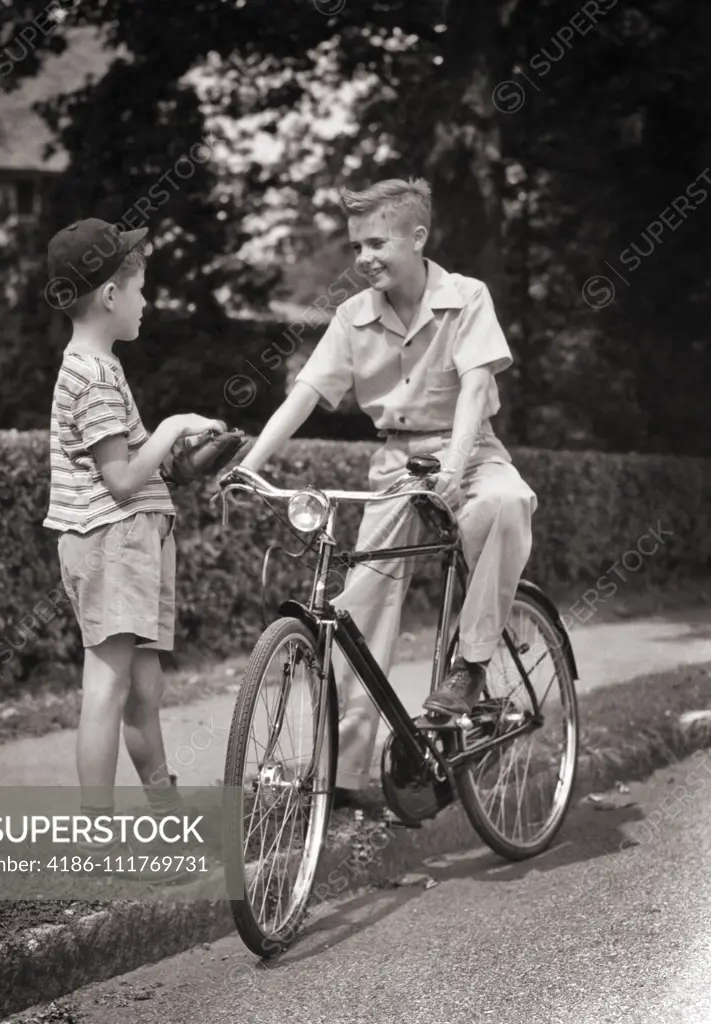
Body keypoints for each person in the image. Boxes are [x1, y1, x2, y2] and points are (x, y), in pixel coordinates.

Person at [237, 178, 537, 806]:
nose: (364, 257)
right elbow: (307, 395)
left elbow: (477, 391)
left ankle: (472, 664)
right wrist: (246, 466)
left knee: (504, 504)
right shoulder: (354, 316)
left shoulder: (467, 298)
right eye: (357, 246)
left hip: (471, 450)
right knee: (361, 604)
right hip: (396, 467)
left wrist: (454, 467)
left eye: (376, 242)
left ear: (417, 237)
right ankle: (343, 777)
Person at [43, 218, 225, 871]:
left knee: (142, 688)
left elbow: (131, 466)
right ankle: (96, 836)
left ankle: (166, 819)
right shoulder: (90, 374)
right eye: (142, 289)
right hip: (110, 543)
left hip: (130, 544)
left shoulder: (100, 368)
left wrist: (179, 455)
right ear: (111, 296)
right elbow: (119, 482)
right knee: (109, 684)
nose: (148, 302)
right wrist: (174, 425)